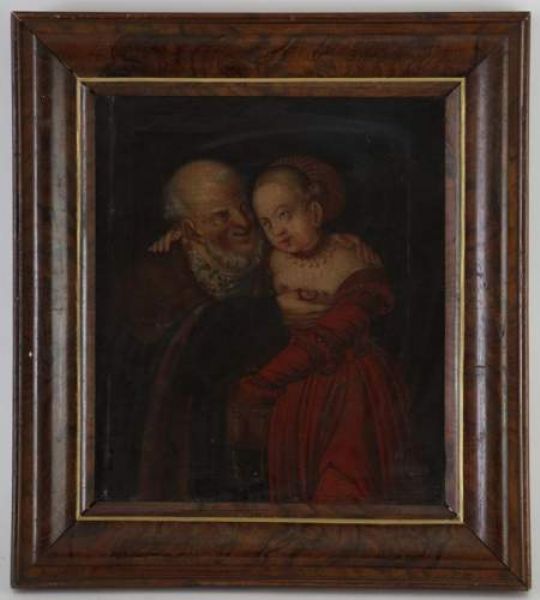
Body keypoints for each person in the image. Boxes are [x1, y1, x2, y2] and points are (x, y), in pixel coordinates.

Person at [104, 159, 287, 501]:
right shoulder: (156, 279)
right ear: (190, 229)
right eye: (221, 216)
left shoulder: (280, 250)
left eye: (243, 206)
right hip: (198, 446)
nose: (243, 222)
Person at [232, 156, 408, 503]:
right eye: (267, 223)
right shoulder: (271, 263)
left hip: (350, 387)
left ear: (314, 212)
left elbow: (338, 329)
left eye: (285, 214)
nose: (278, 230)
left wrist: (263, 381)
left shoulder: (351, 258)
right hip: (296, 390)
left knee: (343, 483)